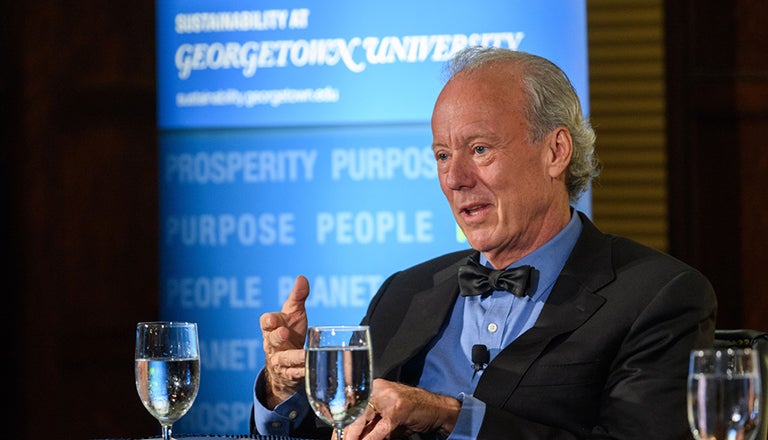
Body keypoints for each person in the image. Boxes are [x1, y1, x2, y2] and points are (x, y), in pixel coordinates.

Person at [250, 46, 717, 439]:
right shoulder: (404, 292)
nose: (454, 178)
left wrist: (449, 416)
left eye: (480, 150)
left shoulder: (658, 296)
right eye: (442, 155)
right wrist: (287, 391)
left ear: (555, 151)